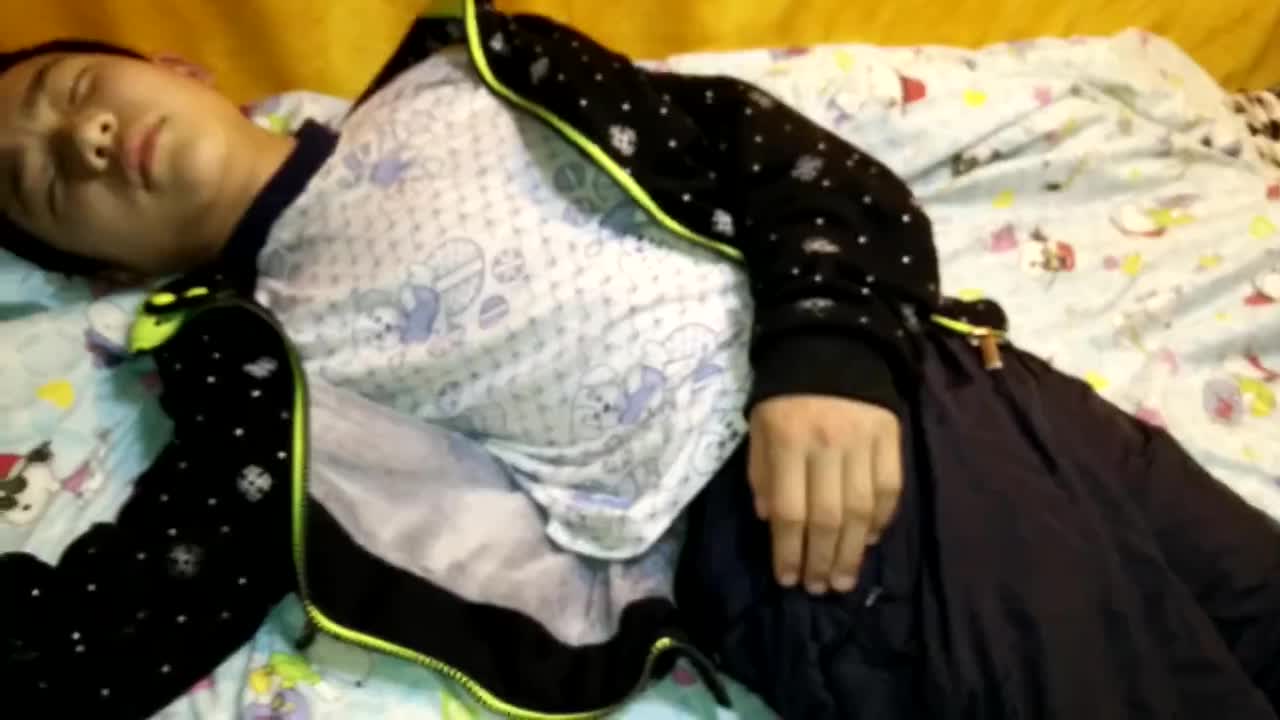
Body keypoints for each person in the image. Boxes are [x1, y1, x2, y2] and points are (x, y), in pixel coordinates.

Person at [1, 4, 1277, 719]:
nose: (87, 138)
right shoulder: (252, 360)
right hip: (796, 534)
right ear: (98, 271)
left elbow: (779, 158)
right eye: (45, 177)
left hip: (950, 368)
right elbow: (142, 601)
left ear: (172, 64)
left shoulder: (475, 69)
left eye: (70, 94)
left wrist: (827, 353)